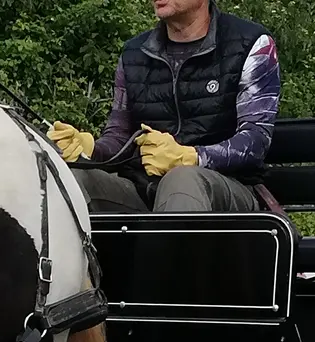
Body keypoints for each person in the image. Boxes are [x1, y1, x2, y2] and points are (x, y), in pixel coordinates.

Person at [49, 0, 279, 214]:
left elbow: (255, 140)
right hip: (142, 188)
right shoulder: (133, 54)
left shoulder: (252, 44)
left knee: (182, 181)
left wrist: (190, 157)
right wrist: (89, 150)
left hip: (228, 190)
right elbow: (120, 136)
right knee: (70, 179)